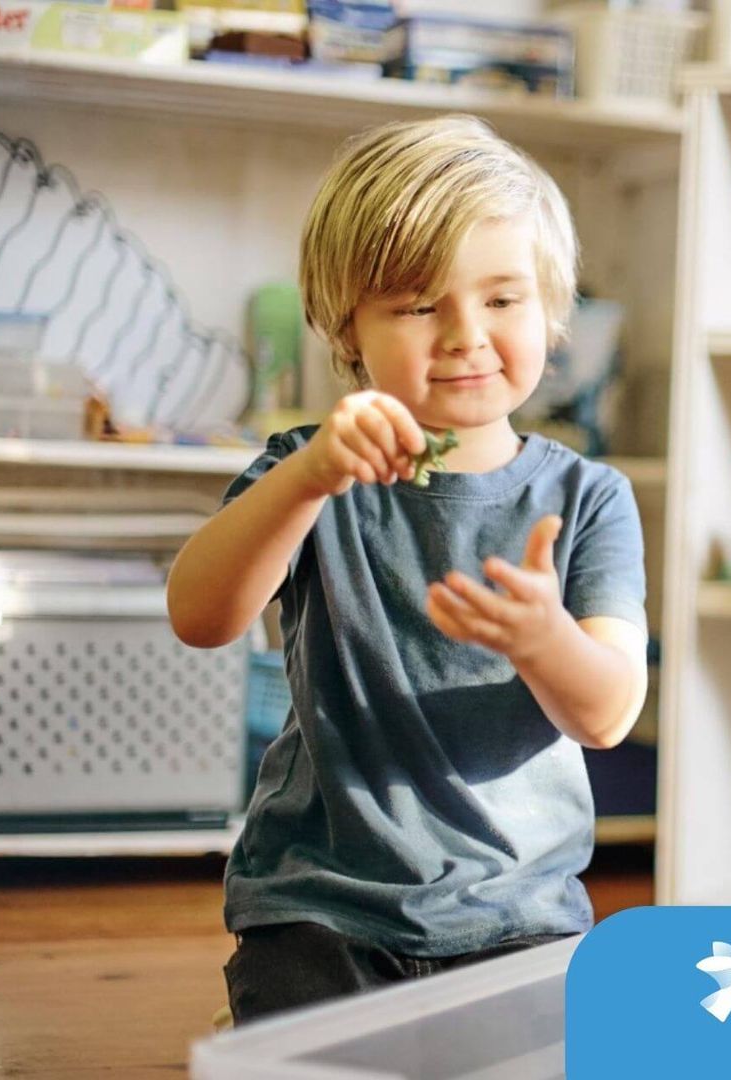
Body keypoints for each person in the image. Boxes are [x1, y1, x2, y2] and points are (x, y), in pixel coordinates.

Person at [167, 116, 650, 1024]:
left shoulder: (589, 497)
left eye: (503, 300)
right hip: (319, 908)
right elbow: (199, 615)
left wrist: (546, 638)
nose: (466, 334)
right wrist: (309, 478)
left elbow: (608, 713)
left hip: (523, 918)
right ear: (345, 328)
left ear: (552, 313)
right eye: (418, 305)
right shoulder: (304, 472)